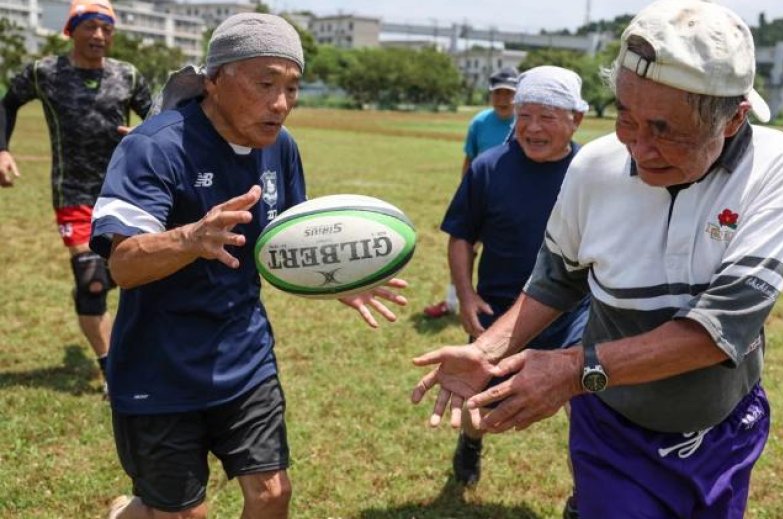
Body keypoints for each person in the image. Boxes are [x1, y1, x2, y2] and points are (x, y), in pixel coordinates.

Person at [411, 1, 783, 517]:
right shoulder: (595, 164)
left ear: (734, 118)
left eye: (665, 129)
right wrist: (489, 350)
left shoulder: (782, 169)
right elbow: (557, 279)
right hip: (612, 429)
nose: (639, 147)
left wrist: (571, 369)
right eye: (626, 117)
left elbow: (721, 329)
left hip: (723, 434)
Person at [91, 14, 407, 518]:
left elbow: (285, 242)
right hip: (159, 367)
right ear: (215, 80)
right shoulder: (154, 147)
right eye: (265, 84)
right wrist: (192, 237)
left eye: (291, 88)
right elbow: (122, 266)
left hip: (245, 357)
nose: (280, 104)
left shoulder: (279, 147)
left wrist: (336, 278)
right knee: (180, 513)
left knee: (273, 493)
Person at [439, 66, 590, 515]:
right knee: (478, 405)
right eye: (524, 115)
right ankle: (470, 443)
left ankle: (587, 495)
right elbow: (461, 236)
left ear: (576, 119)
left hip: (574, 314)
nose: (532, 128)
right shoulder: (489, 168)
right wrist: (466, 296)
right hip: (500, 314)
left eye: (547, 116)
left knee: (584, 409)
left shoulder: (592, 174)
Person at [0, 0, 152, 395]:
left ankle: (135, 350)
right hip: (73, 192)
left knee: (130, 275)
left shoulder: (128, 76)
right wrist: (2, 148)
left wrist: (145, 138)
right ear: (72, 30)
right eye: (91, 27)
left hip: (127, 192)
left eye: (107, 28)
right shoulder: (44, 72)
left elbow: (157, 119)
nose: (99, 35)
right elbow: (7, 104)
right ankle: (111, 371)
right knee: (92, 281)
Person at [423, 67, 518, 319]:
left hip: (512, 202)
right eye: (498, 93)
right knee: (464, 249)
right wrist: (467, 195)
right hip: (482, 199)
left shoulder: (524, 122)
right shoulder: (479, 122)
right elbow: (470, 159)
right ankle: (453, 301)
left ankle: (512, 309)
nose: (503, 99)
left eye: (509, 93)